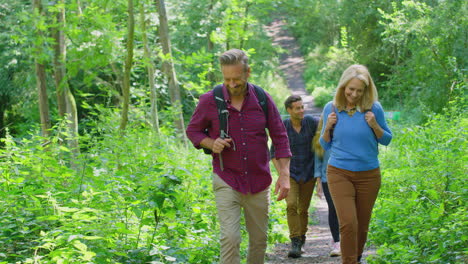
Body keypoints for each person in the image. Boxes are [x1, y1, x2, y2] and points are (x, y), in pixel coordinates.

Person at [186, 49, 292, 264]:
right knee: (230, 238)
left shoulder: (262, 99)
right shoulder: (210, 100)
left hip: (259, 181)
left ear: (248, 72)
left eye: (237, 79)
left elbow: (280, 137)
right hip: (227, 178)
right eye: (227, 79)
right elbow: (193, 131)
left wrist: (284, 174)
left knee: (259, 240)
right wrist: (210, 143)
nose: (232, 84)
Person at [319, 64, 392, 264]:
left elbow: (386, 139)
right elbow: (324, 144)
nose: (354, 94)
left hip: (369, 174)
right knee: (348, 223)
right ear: (343, 87)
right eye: (351, 89)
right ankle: (349, 261)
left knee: (362, 225)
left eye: (360, 90)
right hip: (339, 172)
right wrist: (328, 127)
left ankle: (356, 258)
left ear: (366, 90)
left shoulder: (374, 108)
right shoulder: (331, 108)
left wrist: (374, 124)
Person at [270, 95, 318, 258]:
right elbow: (273, 153)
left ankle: (302, 238)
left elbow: (326, 134)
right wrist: (282, 174)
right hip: (290, 173)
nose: (301, 110)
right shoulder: (283, 127)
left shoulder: (311, 122)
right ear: (289, 110)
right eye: (297, 108)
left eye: (302, 107)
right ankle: (295, 241)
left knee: (303, 209)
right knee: (291, 205)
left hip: (309, 172)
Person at [313, 116, 341, 257]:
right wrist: (318, 183)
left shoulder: (343, 135)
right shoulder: (320, 139)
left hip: (344, 177)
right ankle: (337, 241)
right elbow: (318, 161)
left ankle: (345, 238)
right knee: (333, 208)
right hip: (327, 179)